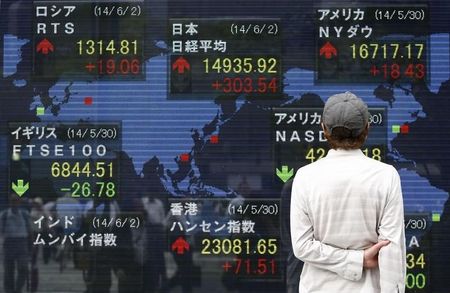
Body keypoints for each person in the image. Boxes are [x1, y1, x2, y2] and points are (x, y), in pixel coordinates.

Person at [290, 92, 406, 292]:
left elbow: (302, 247)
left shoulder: (304, 177)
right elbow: (391, 251)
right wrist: (358, 259)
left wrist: (354, 261)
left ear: (323, 128)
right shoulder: (386, 176)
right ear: (367, 129)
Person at [0, 194, 31, 293]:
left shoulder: (25, 214)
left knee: (23, 268)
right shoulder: (4, 215)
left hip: (22, 243)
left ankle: (18, 289)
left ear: (19, 202)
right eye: (12, 201)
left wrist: (32, 243)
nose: (14, 203)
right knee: (9, 270)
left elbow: (30, 230)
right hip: (9, 242)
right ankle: (9, 290)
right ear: (10, 202)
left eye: (16, 201)